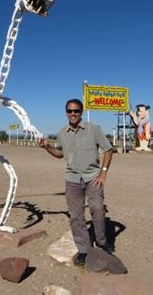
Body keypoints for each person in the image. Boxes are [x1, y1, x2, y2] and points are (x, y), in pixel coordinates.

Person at [39, 98, 114, 268]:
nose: (73, 114)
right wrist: (47, 147)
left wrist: (103, 174)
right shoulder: (62, 132)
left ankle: (102, 242)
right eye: (69, 111)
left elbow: (108, 150)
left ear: (81, 112)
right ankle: (84, 250)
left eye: (76, 111)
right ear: (66, 112)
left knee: (97, 208)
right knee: (76, 216)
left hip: (92, 178)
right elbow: (59, 153)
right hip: (72, 179)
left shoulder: (93, 129)